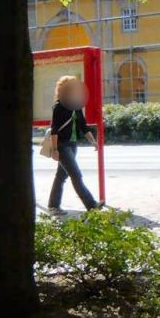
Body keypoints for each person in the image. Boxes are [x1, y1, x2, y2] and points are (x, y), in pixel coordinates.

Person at [48, 75, 100, 214]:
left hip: (72, 145)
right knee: (76, 175)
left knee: (61, 176)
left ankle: (53, 205)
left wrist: (93, 141)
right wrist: (54, 149)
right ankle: (92, 205)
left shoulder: (76, 105)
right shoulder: (59, 107)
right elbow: (54, 130)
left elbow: (83, 125)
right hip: (62, 145)